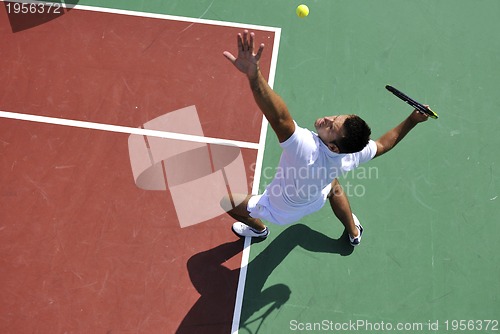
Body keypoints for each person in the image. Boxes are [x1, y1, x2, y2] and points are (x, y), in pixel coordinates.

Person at [222, 30, 429, 246]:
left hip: (279, 208)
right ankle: (354, 233)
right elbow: (384, 144)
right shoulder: (353, 152)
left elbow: (280, 118)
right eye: (336, 117)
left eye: (331, 127)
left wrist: (254, 77)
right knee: (333, 185)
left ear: (334, 147)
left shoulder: (305, 149)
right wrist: (413, 120)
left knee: (227, 202)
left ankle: (259, 229)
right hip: (315, 198)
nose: (327, 119)